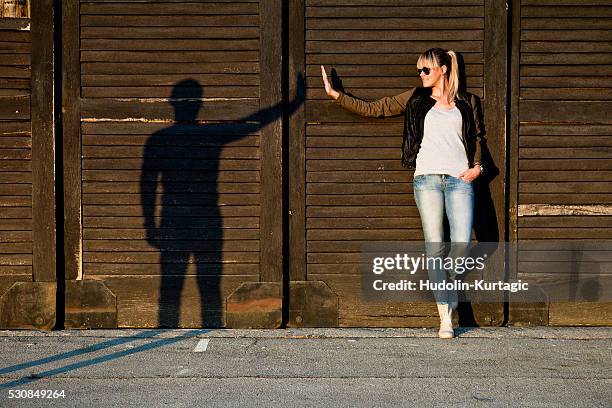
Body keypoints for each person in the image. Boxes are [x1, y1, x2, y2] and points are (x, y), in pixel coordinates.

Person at [321, 48, 486, 339]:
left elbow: (477, 138)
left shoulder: (468, 102)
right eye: (419, 71)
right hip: (426, 180)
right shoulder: (415, 98)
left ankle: (449, 290)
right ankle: (445, 317)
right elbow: (377, 107)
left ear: (444, 69)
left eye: (426, 70)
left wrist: (477, 168)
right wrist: (337, 95)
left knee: (460, 245)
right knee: (435, 247)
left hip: (460, 180)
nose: (421, 75)